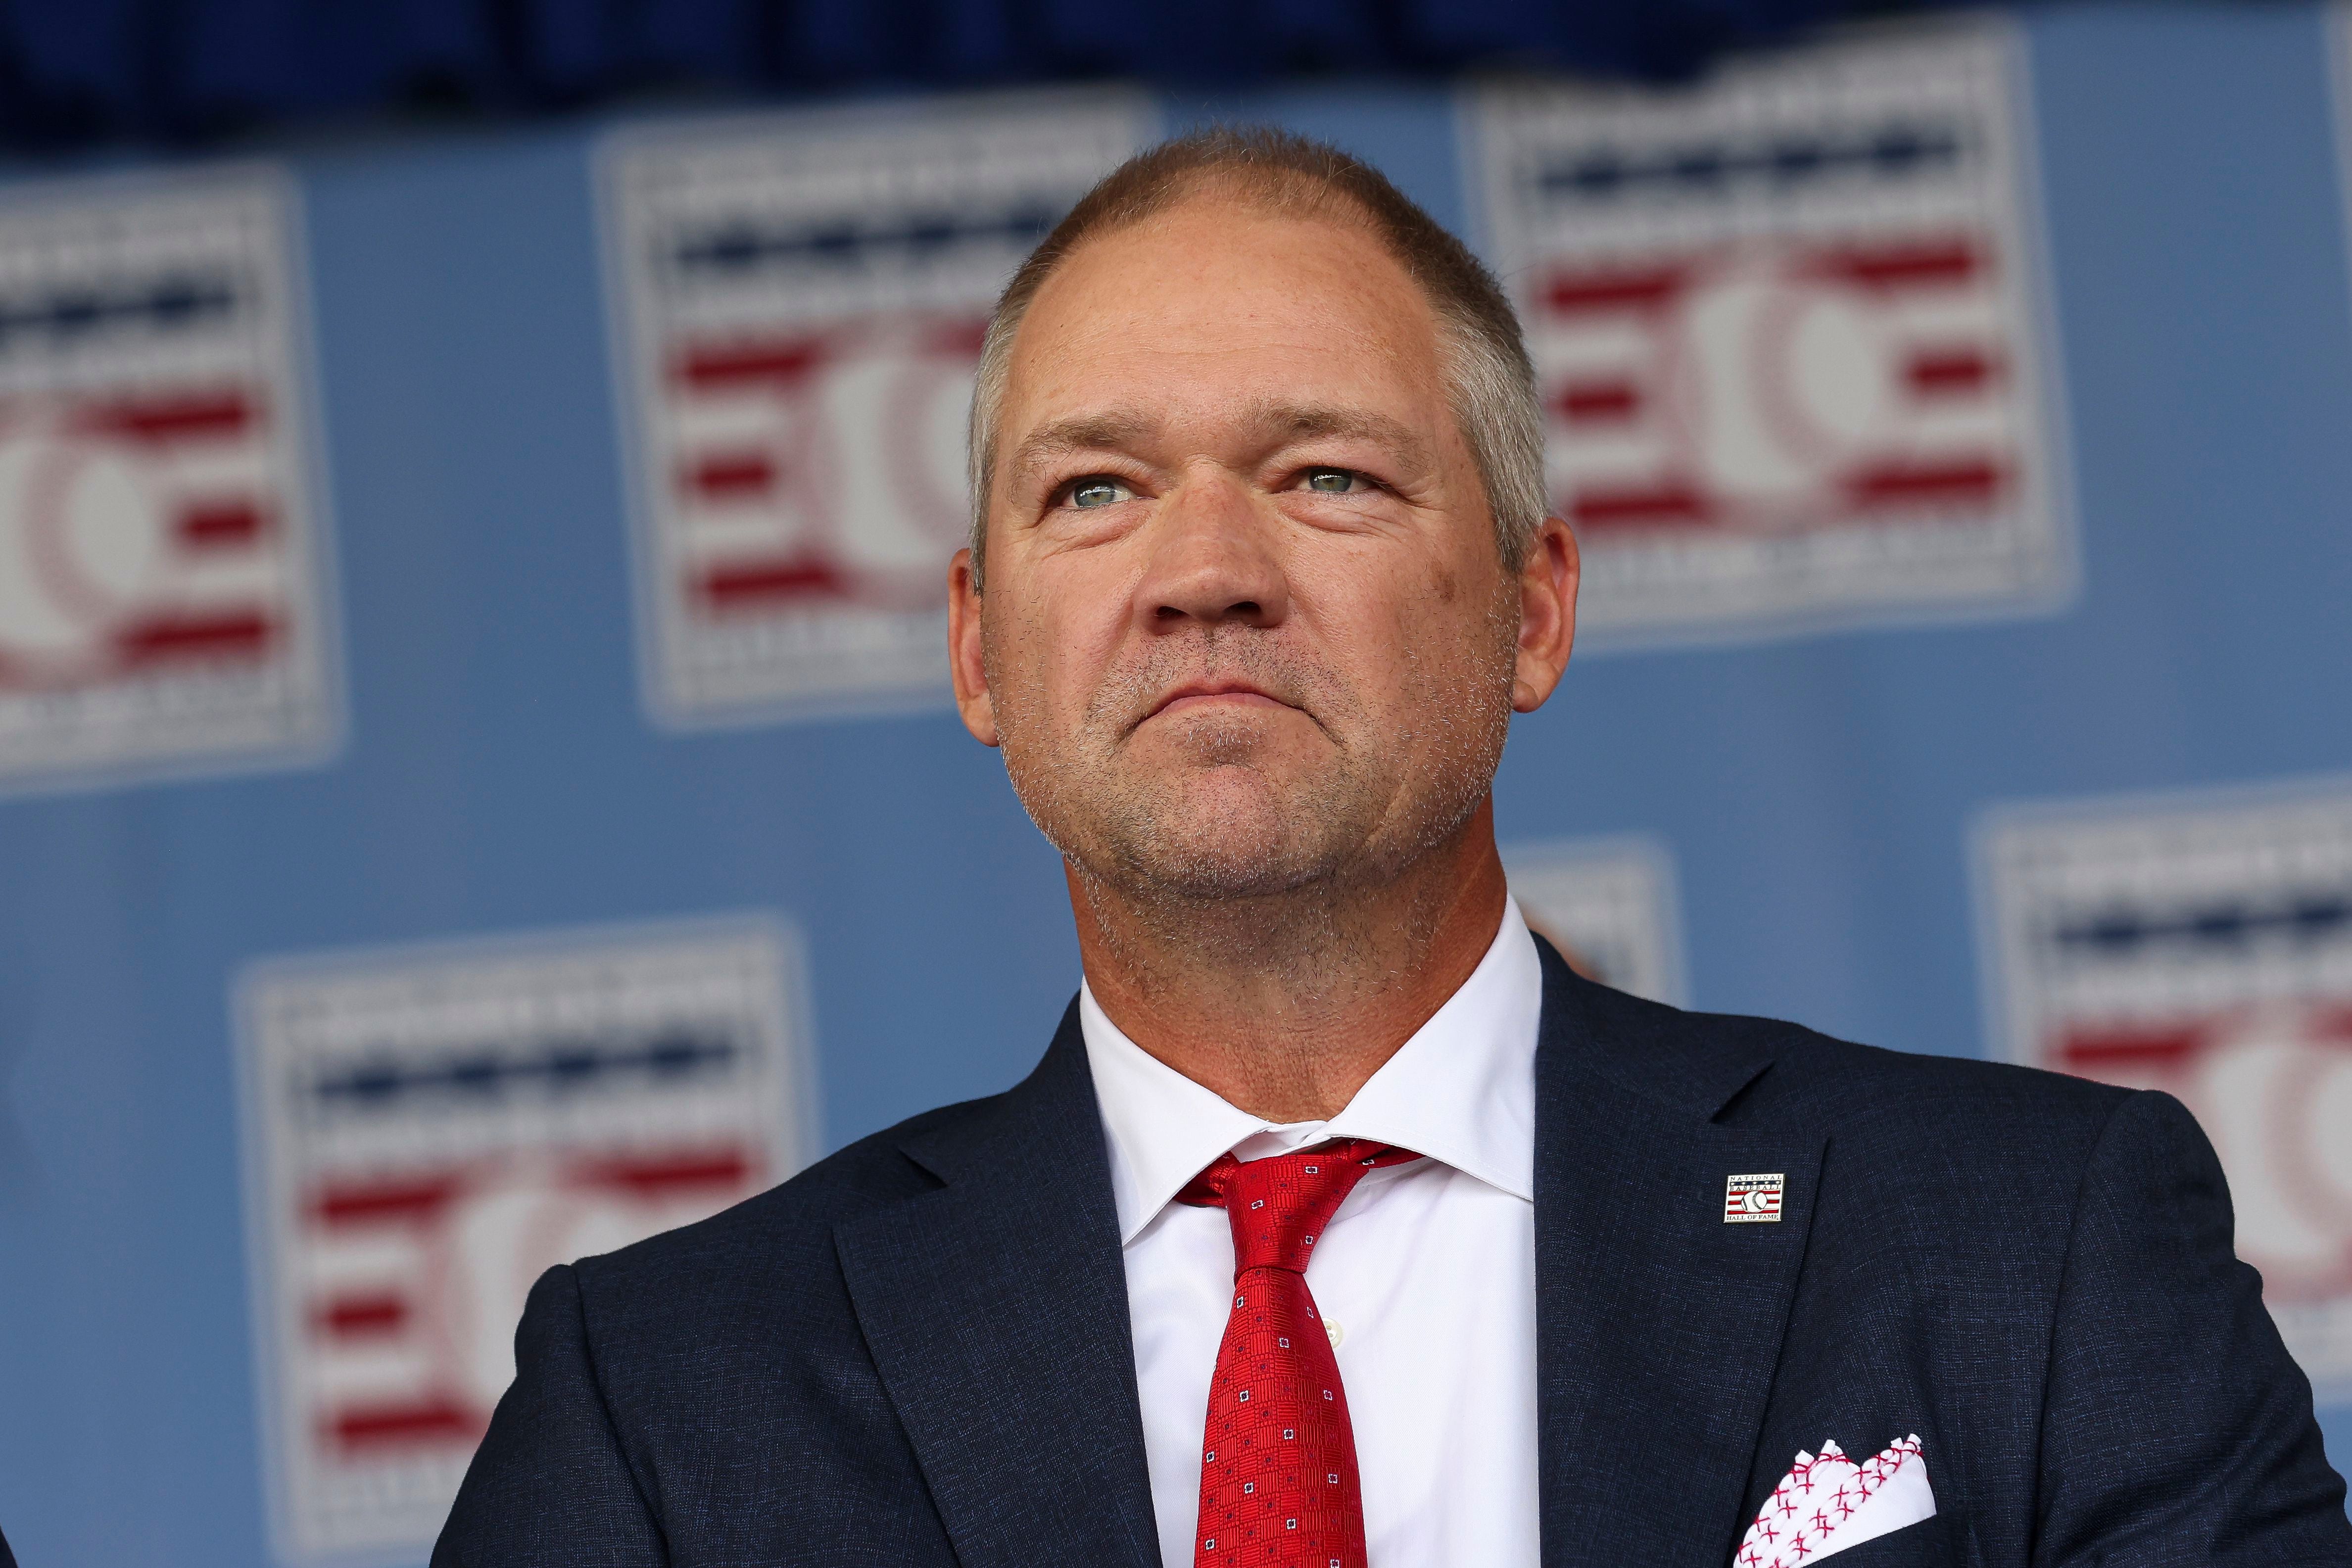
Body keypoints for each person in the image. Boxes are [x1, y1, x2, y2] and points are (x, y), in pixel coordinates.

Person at [435, 129, 2351, 1568]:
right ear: (976, 647)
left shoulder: (2029, 1238)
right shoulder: (668, 1395)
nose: (1202, 575)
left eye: (1324, 476)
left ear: (1529, 608)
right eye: (1094, 489)